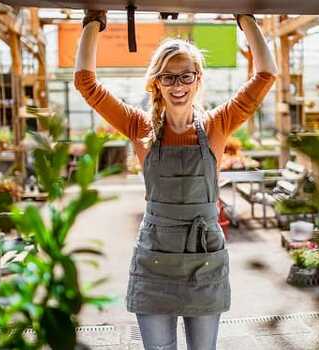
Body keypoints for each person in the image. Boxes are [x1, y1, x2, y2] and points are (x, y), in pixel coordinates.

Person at [74, 10, 277, 350]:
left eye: (186, 76)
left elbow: (266, 74)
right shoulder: (141, 128)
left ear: (199, 79)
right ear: (156, 82)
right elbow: (86, 83)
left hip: (204, 254)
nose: (177, 85)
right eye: (168, 78)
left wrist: (246, 20)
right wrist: (95, 20)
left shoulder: (217, 125)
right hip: (156, 257)